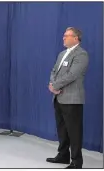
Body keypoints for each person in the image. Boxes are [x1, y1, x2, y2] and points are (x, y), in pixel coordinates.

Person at [47, 27, 89, 169]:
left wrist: (55, 86)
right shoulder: (62, 54)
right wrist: (53, 84)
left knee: (74, 131)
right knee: (62, 129)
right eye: (64, 35)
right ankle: (63, 155)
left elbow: (72, 75)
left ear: (76, 38)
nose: (63, 38)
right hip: (58, 98)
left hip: (72, 99)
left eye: (67, 35)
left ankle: (77, 161)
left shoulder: (81, 54)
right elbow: (54, 70)